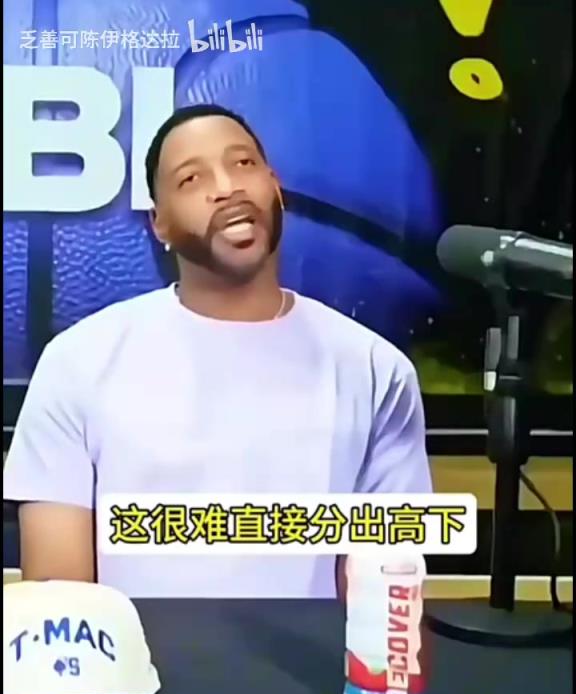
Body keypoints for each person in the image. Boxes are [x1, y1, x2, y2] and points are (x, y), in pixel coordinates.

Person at [3, 104, 432, 598]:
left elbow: (387, 592)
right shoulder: (78, 363)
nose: (227, 187)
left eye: (243, 164)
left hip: (316, 652)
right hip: (136, 652)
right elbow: (60, 602)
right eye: (191, 179)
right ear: (159, 224)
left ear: (275, 187)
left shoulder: (375, 370)